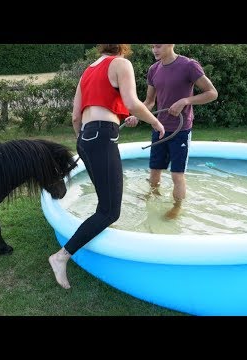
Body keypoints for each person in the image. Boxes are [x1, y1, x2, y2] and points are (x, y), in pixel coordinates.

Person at [48, 44, 165, 289]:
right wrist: (155, 122)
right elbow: (132, 103)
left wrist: (83, 140)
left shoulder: (87, 71)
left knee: (106, 203)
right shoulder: (121, 64)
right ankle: (61, 257)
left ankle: (85, 241)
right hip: (102, 137)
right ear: (123, 47)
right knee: (110, 211)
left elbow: (75, 117)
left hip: (87, 138)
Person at [124, 44, 218, 220]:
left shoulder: (189, 65)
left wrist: (185, 100)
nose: (154, 50)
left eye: (158, 45)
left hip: (180, 131)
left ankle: (177, 207)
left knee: (177, 175)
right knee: (154, 172)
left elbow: (212, 93)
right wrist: (136, 116)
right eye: (152, 46)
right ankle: (153, 197)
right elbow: (150, 102)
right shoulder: (153, 69)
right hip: (159, 128)